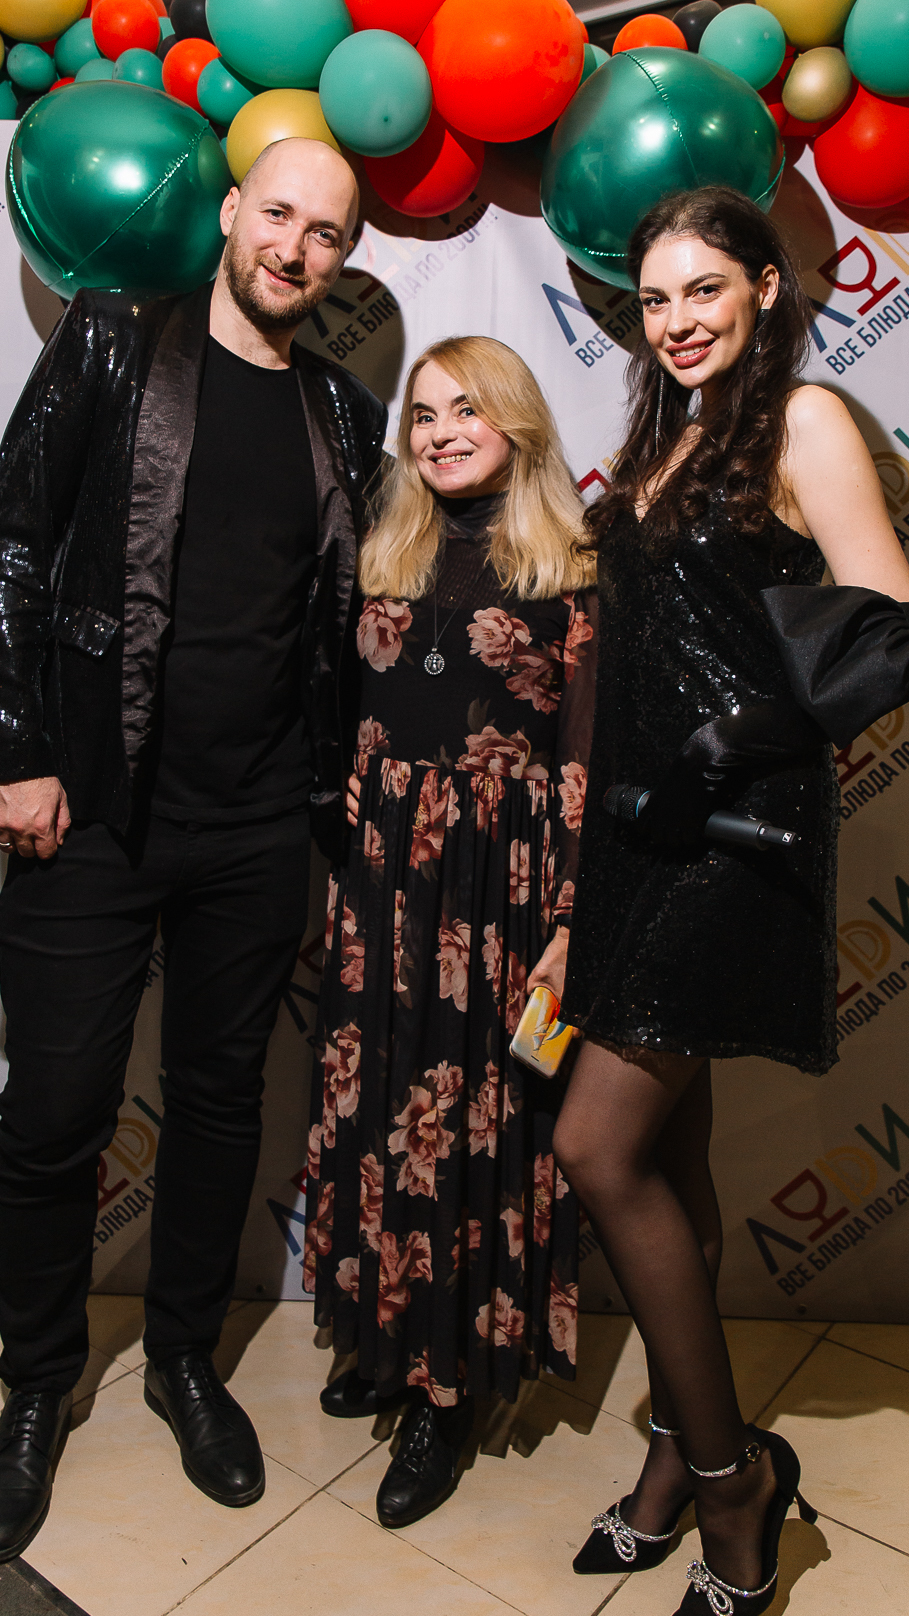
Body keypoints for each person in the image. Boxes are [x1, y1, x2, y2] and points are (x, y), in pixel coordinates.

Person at [0, 136, 385, 1565]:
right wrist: (13, 746)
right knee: (55, 1114)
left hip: (259, 825)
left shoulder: (342, 412)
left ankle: (184, 1361)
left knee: (217, 1106)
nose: (294, 248)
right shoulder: (110, 340)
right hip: (91, 808)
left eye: (325, 234)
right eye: (278, 214)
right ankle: (37, 1388)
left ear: (340, 260)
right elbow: (15, 539)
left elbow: (353, 620)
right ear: (229, 213)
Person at [553, 185, 909, 1615]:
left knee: (595, 1148)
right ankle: (668, 1460)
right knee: (671, 1162)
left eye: (703, 288)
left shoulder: (802, 422)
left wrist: (736, 740)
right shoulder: (667, 438)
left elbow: (891, 638)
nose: (676, 320)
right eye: (654, 299)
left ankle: (731, 1484)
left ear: (766, 286)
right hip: (638, 831)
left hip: (735, 831)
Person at [304, 336, 599, 1528]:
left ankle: (447, 1381)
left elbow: (583, 759)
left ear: (515, 424)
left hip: (497, 891)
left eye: (465, 410)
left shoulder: (572, 566)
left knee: (472, 1118)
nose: (438, 433)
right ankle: (384, 1332)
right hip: (382, 879)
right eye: (421, 415)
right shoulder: (382, 548)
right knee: (380, 1105)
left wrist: (569, 919)